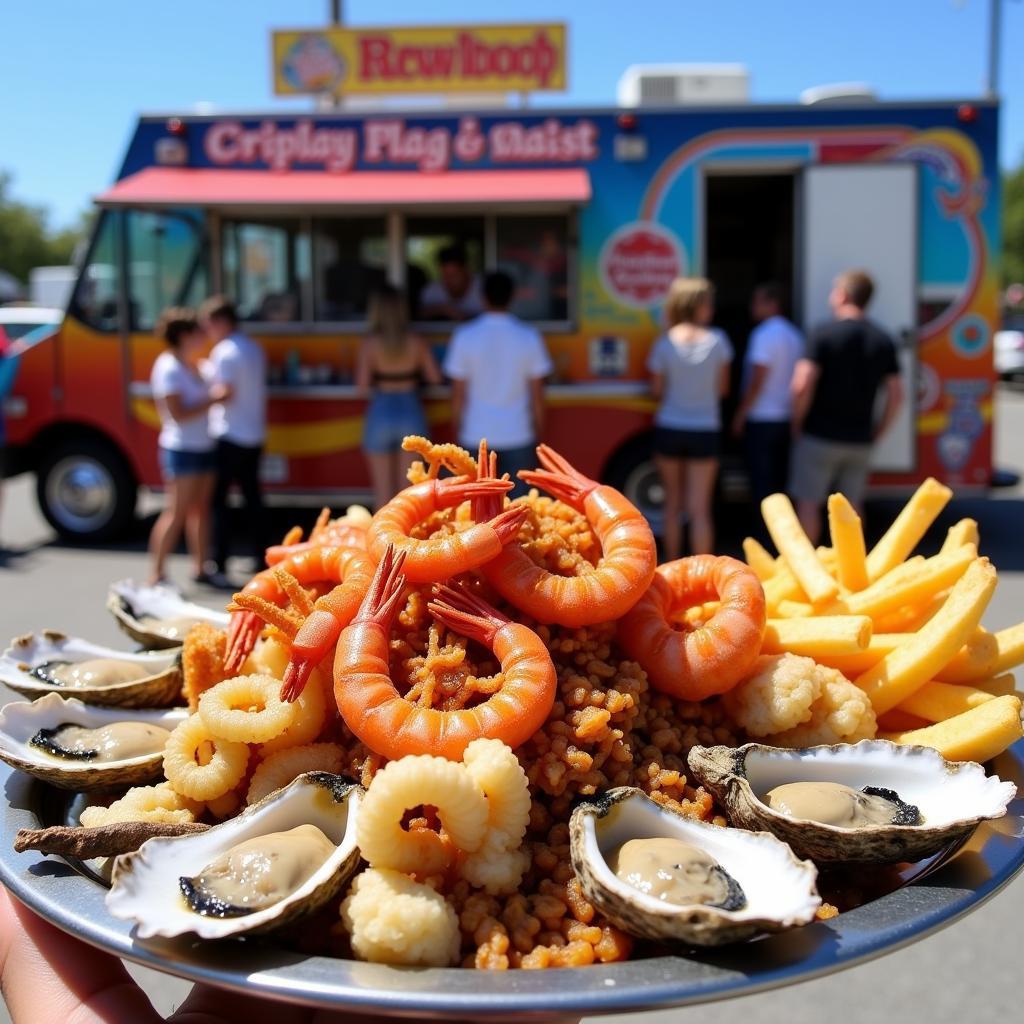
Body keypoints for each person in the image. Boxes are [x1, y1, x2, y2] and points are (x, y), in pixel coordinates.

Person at [790, 269, 904, 543]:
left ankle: (809, 572)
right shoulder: (883, 338)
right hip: (860, 439)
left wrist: (796, 422)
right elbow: (897, 394)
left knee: (808, 504)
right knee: (853, 508)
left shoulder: (822, 332)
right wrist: (879, 431)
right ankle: (854, 574)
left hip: (819, 436)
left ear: (842, 295)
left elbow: (802, 383)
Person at [647, 277, 733, 561]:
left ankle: (672, 569)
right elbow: (723, 389)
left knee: (672, 505)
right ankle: (703, 577)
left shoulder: (664, 343)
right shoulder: (719, 341)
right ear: (697, 305)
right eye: (708, 302)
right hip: (705, 429)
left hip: (670, 427)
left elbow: (656, 391)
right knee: (700, 509)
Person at [444, 271, 552, 492]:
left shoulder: (464, 336)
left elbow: (457, 393)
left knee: (475, 511)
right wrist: (538, 432)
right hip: (519, 433)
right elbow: (537, 394)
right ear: (512, 297)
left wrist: (457, 430)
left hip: (475, 434)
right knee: (519, 510)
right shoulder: (529, 336)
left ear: (482, 297)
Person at [147, 308, 223, 585]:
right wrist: (214, 400)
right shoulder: (168, 367)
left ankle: (201, 567)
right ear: (183, 336)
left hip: (204, 445)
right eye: (198, 332)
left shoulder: (196, 364)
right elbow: (177, 413)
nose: (204, 336)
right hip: (182, 449)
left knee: (201, 509)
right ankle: (156, 574)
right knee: (176, 512)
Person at [199, 296, 268, 583]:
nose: (206, 331)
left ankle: (219, 561)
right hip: (254, 433)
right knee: (253, 499)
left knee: (220, 502)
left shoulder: (224, 352)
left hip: (230, 434)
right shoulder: (252, 347)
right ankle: (261, 557)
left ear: (221, 321)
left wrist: (196, 399)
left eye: (208, 324)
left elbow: (224, 391)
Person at [357, 285, 442, 509]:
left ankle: (380, 543)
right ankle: (407, 542)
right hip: (411, 411)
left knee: (382, 494)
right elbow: (435, 378)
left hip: (380, 412)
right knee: (409, 495)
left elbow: (362, 386)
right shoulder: (417, 341)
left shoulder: (370, 343)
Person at [731, 283, 804, 503]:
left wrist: (741, 414)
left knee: (762, 485)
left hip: (761, 418)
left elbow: (758, 378)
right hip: (785, 417)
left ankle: (762, 533)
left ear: (772, 304)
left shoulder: (763, 334)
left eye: (757, 301)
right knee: (780, 483)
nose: (752, 306)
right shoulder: (795, 334)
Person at [419, 245, 484, 321]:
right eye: (444, 276)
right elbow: (420, 314)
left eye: (454, 275)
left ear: (466, 270)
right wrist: (442, 309)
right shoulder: (431, 290)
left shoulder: (483, 288)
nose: (448, 280)